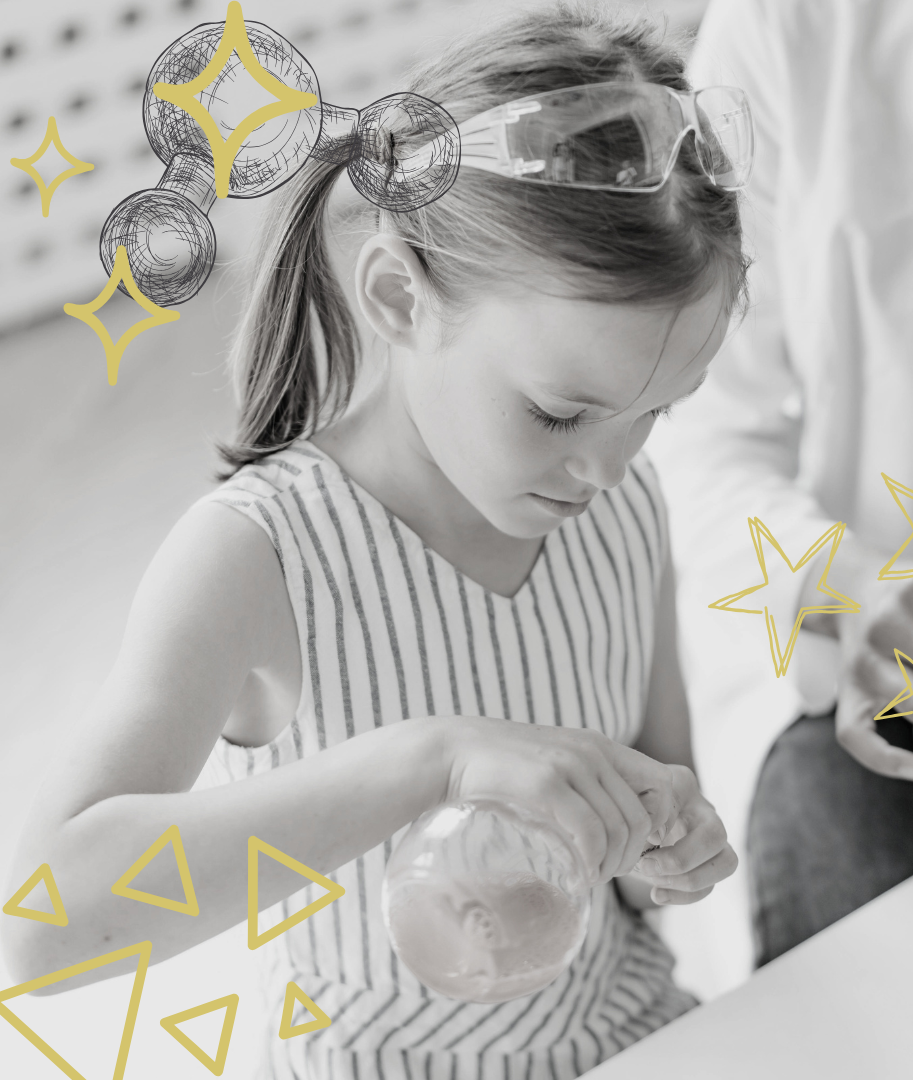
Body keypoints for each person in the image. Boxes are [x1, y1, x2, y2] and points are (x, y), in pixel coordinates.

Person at [0, 5, 749, 1079]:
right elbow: (42, 929)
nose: (606, 469)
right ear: (399, 295)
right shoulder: (260, 557)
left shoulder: (622, 511)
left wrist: (666, 843)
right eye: (557, 413)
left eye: (655, 415)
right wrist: (428, 761)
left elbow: (645, 813)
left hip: (626, 1039)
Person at [649, 0, 913, 971]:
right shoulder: (794, 33)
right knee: (880, 966)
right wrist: (843, 585)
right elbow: (694, 443)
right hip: (871, 664)